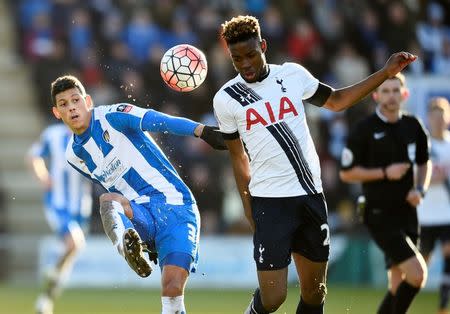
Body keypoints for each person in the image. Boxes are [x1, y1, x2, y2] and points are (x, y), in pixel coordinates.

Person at [213, 15, 417, 314]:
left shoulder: (292, 75)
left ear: (264, 46)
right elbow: (237, 156)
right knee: (273, 299)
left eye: (251, 55)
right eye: (237, 59)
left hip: (309, 195)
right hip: (269, 201)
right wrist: (248, 207)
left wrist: (386, 73)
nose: (245, 64)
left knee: (314, 293)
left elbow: (336, 100)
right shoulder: (226, 98)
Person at [50, 75, 225, 314]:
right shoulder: (74, 156)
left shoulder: (114, 115)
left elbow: (159, 121)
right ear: (57, 113)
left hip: (177, 207)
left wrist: (201, 130)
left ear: (87, 101)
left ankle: (135, 248)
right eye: (63, 104)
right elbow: (109, 187)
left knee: (172, 289)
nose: (71, 107)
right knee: (108, 200)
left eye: (75, 100)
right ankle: (131, 251)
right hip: (141, 213)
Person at [340, 73, 432, 314]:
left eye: (395, 90)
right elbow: (346, 173)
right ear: (376, 95)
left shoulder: (414, 126)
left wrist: (420, 188)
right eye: (386, 91)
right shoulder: (365, 129)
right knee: (418, 274)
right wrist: (384, 172)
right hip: (379, 215)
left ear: (405, 94)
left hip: (408, 213)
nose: (391, 96)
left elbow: (424, 162)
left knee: (396, 285)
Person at [27, 122, 92, 314]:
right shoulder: (52, 134)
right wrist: (43, 177)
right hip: (58, 203)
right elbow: (33, 156)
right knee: (74, 244)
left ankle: (47, 296)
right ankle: (50, 286)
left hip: (81, 206)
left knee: (70, 252)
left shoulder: (91, 134)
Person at [417, 97, 450, 314]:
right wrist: (427, 178)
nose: (438, 120)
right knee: (421, 267)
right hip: (425, 215)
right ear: (429, 118)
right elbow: (411, 176)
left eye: (442, 115)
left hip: (447, 214)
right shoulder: (422, 145)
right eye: (434, 116)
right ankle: (403, 299)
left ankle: (443, 305)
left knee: (449, 252)